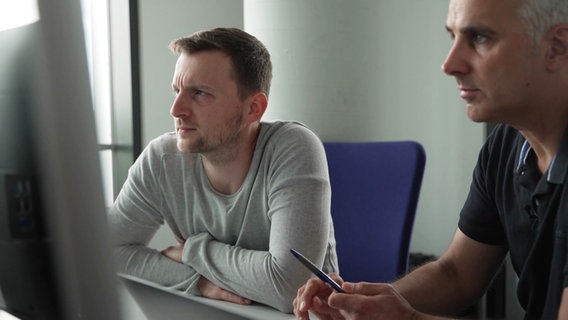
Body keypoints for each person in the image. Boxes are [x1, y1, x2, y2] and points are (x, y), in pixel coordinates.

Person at [293, 0, 568, 319]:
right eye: (453, 37)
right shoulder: (505, 145)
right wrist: (363, 303)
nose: (450, 64)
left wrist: (407, 318)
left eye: (479, 38)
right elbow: (457, 274)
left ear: (556, 47)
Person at [108, 27, 338, 313]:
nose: (176, 109)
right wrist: (200, 282)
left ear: (253, 108)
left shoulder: (293, 148)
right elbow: (107, 253)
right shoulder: (162, 159)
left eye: (200, 93)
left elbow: (289, 287)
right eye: (177, 91)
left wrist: (192, 250)